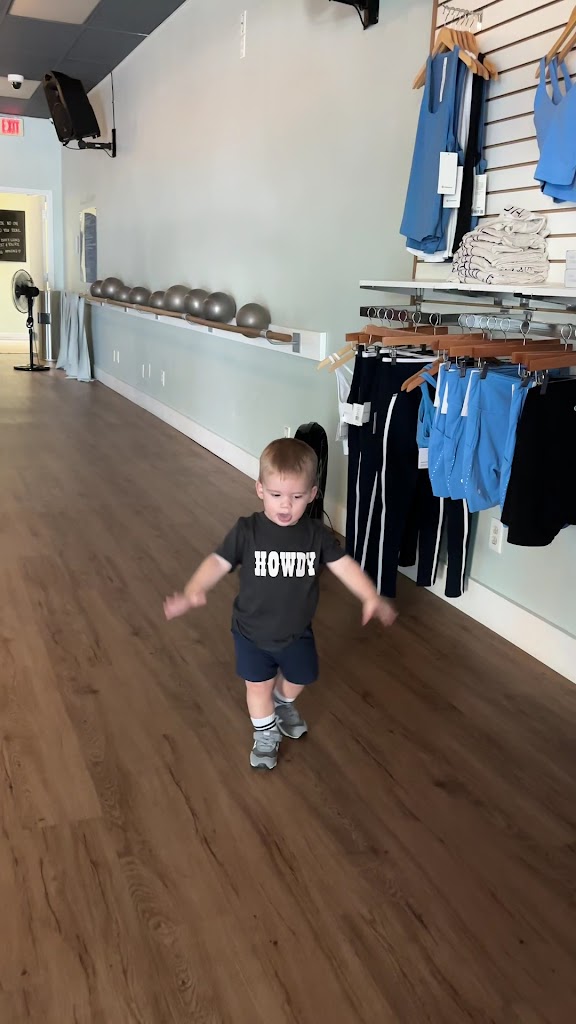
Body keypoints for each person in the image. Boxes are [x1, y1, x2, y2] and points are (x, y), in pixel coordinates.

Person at [164, 437, 397, 769]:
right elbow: (218, 561)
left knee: (302, 677)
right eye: (276, 495)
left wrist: (369, 595)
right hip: (251, 633)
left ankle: (283, 702)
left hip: (296, 632)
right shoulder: (247, 531)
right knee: (257, 688)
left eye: (296, 497)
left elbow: (344, 566)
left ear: (312, 494)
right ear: (260, 489)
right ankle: (265, 734)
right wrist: (193, 590)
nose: (285, 505)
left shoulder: (316, 535)